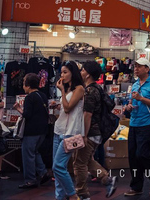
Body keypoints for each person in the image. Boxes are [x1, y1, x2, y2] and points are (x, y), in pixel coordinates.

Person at [75, 60, 118, 199]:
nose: (80, 72)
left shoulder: (90, 91)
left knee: (79, 163)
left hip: (90, 132)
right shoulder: (97, 88)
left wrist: (84, 135)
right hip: (97, 132)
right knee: (87, 161)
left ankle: (82, 193)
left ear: (87, 74)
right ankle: (107, 179)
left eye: (82, 70)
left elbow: (87, 115)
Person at [123, 57, 150, 197]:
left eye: (139, 66)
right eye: (135, 66)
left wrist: (142, 99)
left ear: (147, 69)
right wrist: (129, 106)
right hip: (134, 123)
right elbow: (131, 101)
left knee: (142, 154)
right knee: (133, 156)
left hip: (147, 124)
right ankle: (136, 186)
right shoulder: (134, 84)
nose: (136, 69)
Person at [52, 61, 85, 200]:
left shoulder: (79, 89)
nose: (63, 75)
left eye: (65, 72)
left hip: (73, 133)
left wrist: (62, 92)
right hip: (59, 130)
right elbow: (65, 109)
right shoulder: (68, 90)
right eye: (61, 72)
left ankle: (72, 195)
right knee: (59, 170)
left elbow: (68, 107)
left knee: (57, 167)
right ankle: (59, 197)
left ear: (73, 73)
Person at [14, 73, 50, 189]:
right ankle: (43, 172)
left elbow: (27, 115)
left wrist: (18, 108)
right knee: (35, 152)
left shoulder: (29, 97)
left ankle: (30, 180)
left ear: (27, 85)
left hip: (31, 130)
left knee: (28, 155)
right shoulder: (43, 95)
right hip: (43, 130)